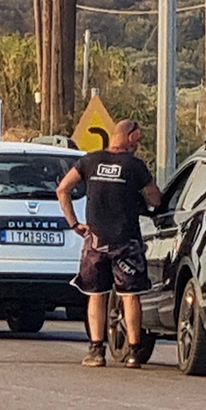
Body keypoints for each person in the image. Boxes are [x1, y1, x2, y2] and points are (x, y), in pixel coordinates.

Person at [56, 118, 163, 368]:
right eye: (138, 138)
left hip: (95, 241)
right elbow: (155, 200)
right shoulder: (135, 166)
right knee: (130, 295)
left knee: (96, 294)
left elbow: (62, 189)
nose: (138, 144)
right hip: (127, 242)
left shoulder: (89, 161)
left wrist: (74, 223)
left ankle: (96, 351)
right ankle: (134, 352)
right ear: (131, 136)